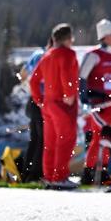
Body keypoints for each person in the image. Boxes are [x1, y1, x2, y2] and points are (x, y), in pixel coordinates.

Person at [29, 23, 80, 189]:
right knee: (65, 140)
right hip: (62, 104)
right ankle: (60, 177)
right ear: (68, 38)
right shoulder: (67, 54)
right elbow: (66, 74)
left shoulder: (47, 55)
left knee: (50, 142)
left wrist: (39, 100)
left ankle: (50, 176)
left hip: (48, 104)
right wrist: (69, 94)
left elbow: (33, 80)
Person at [78, 18, 111, 185]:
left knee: (110, 138)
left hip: (110, 105)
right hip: (98, 105)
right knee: (99, 137)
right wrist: (85, 99)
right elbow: (82, 77)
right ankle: (89, 171)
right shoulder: (94, 55)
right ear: (106, 36)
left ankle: (104, 170)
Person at [19, 47, 46, 182]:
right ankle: (35, 174)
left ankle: (27, 173)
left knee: (35, 140)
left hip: (32, 101)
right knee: (42, 140)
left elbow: (23, 73)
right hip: (40, 101)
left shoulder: (36, 54)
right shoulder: (44, 56)